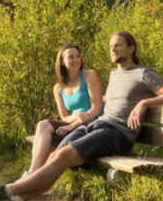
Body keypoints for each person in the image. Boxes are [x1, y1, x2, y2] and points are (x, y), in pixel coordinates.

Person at [0, 31, 163, 201]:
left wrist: (144, 103)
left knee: (63, 156)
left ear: (131, 48)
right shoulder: (114, 74)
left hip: (118, 134)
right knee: (55, 157)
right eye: (111, 46)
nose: (113, 49)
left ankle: (7, 190)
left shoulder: (144, 73)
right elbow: (112, 101)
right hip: (99, 125)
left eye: (118, 45)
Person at [23, 43, 103, 179]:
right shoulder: (58, 88)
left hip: (91, 125)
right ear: (61, 61)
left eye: (78, 56)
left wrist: (73, 124)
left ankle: (29, 180)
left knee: (47, 143)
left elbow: (96, 109)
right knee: (42, 125)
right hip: (72, 124)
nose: (76, 60)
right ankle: (31, 176)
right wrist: (76, 116)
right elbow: (64, 117)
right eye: (71, 57)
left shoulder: (89, 75)